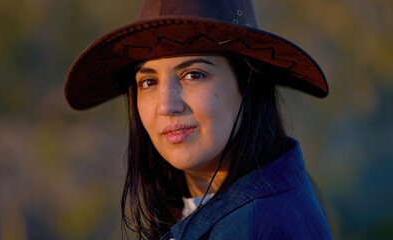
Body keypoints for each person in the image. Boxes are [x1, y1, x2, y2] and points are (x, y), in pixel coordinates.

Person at [65, 0, 333, 239]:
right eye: (148, 81)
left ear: (248, 84)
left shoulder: (255, 225)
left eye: (194, 75)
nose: (167, 105)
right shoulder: (204, 209)